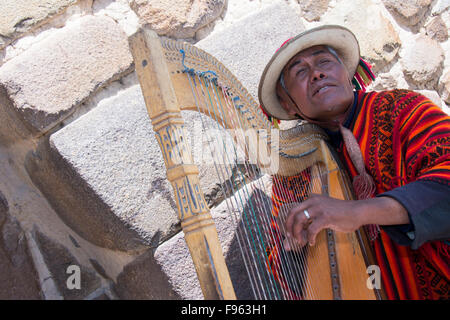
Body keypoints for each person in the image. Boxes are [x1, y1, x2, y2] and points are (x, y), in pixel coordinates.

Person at [258, 25, 450, 300]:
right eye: (300, 72)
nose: (317, 73)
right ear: (288, 105)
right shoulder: (293, 171)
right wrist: (295, 244)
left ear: (348, 74)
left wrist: (357, 212)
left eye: (324, 61)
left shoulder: (401, 109)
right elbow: (281, 256)